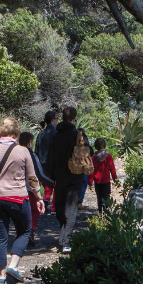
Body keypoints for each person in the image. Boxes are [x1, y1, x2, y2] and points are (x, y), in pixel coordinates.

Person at [0, 118, 43, 284]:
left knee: (0, 236)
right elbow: (32, 178)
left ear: (1, 131)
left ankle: (1, 275)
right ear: (16, 133)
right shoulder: (23, 151)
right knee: (25, 231)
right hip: (18, 198)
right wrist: (38, 197)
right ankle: (13, 265)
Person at [46, 105, 88, 253]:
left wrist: (50, 176)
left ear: (62, 118)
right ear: (74, 119)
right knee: (71, 208)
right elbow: (89, 153)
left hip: (60, 177)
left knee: (60, 207)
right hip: (76, 176)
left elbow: (50, 157)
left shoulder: (56, 136)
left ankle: (63, 236)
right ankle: (65, 240)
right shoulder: (79, 134)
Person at [18, 131, 54, 247]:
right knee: (34, 211)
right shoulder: (32, 156)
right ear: (29, 142)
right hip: (31, 190)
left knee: (21, 213)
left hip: (17, 190)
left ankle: (22, 233)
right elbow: (39, 174)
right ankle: (30, 233)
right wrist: (53, 183)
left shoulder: (14, 154)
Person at [34, 110, 57, 212]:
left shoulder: (40, 134)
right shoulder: (57, 133)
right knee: (56, 184)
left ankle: (47, 199)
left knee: (47, 183)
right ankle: (54, 207)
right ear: (52, 120)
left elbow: (37, 150)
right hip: (54, 163)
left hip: (42, 162)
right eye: (56, 119)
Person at [89, 138, 118, 213]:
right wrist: (115, 179)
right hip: (106, 180)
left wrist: (90, 181)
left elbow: (92, 170)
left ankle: (100, 210)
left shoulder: (93, 158)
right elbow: (112, 169)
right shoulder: (108, 156)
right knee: (106, 195)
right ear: (104, 145)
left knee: (99, 197)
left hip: (97, 181)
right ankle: (105, 207)